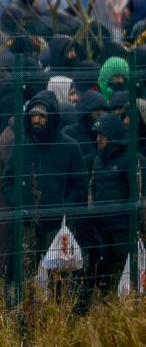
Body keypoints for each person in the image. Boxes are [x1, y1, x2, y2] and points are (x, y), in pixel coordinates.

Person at [2, 90, 87, 262]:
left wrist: (64, 208)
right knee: (27, 272)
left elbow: (80, 184)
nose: (37, 120)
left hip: (56, 226)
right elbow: (7, 180)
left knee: (55, 274)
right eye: (33, 115)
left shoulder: (69, 147)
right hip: (27, 224)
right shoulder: (21, 145)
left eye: (42, 115)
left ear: (52, 117)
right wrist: (18, 204)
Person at [84, 113, 141, 295]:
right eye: (97, 135)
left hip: (122, 228)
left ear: (113, 136)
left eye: (103, 135)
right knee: (104, 271)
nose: (98, 139)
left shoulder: (130, 159)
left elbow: (137, 193)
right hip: (101, 227)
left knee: (123, 269)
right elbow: (92, 189)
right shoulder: (98, 159)